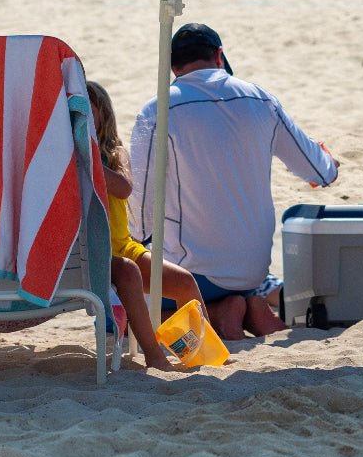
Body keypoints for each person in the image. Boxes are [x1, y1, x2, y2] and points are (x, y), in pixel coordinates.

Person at [129, 23, 339, 341]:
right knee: (247, 268)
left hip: (194, 274)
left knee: (122, 303)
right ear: (219, 55)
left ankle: (218, 312)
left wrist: (137, 248)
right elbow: (320, 173)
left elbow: (142, 206)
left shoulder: (159, 108)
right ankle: (250, 304)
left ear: (172, 66)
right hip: (252, 270)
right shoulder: (262, 99)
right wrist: (329, 162)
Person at [86, 80, 207, 369]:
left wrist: (88, 160)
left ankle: (199, 352)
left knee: (184, 282)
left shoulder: (115, 153)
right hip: (89, 252)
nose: (82, 119)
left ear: (103, 114)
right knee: (127, 275)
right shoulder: (57, 157)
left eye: (88, 112)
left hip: (124, 247)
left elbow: (124, 188)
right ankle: (155, 357)